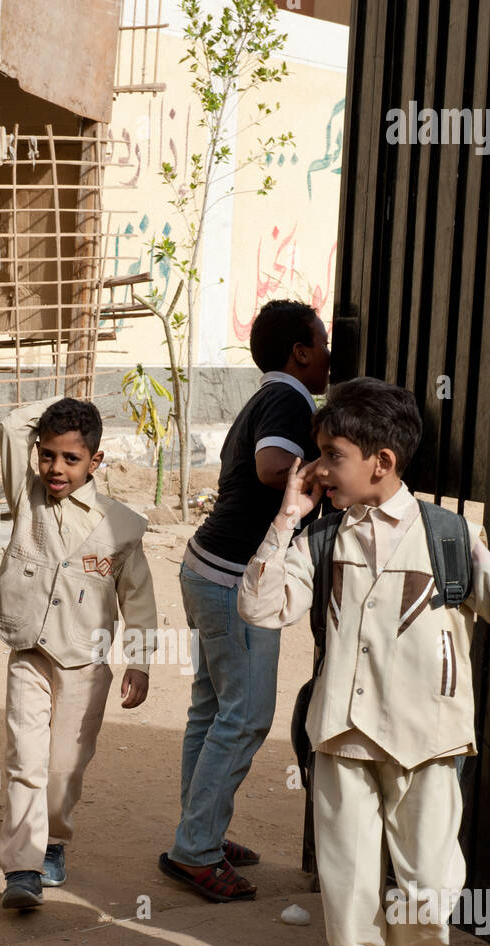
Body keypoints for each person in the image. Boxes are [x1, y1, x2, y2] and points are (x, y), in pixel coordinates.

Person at [238, 377, 490, 946]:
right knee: (351, 888)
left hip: (429, 744)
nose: (317, 468)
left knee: (431, 888)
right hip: (344, 742)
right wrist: (287, 515)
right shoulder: (321, 534)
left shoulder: (449, 538)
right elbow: (261, 610)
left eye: (331, 455)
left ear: (380, 463)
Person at [160, 299, 331, 902]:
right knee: (247, 714)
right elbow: (269, 468)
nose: (331, 353)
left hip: (207, 569)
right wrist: (331, 468)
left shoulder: (268, 395)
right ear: (300, 352)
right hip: (234, 580)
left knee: (211, 709)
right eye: (323, 342)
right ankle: (196, 850)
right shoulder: (289, 398)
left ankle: (198, 830)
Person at [0, 397, 158, 909]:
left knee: (63, 769)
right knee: (24, 761)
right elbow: (13, 422)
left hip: (85, 664)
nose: (55, 468)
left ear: (95, 462)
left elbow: (141, 603)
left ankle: (54, 839)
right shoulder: (26, 494)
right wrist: (62, 406)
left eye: (71, 458)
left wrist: (140, 662)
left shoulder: (122, 525)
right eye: (47, 455)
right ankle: (22, 868)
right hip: (29, 652)